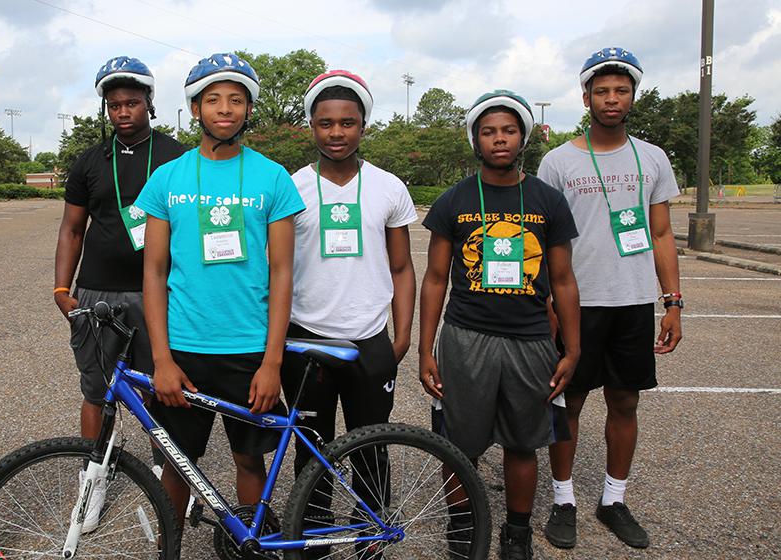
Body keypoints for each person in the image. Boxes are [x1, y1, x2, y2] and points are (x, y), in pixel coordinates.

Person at [134, 52, 305, 529]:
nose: (225, 109)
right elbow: (153, 272)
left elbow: (283, 272)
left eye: (236, 100)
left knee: (250, 461)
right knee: (177, 463)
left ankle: (246, 541)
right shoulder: (167, 178)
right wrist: (162, 358)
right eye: (213, 100)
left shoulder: (273, 177)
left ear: (249, 109)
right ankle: (169, 544)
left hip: (249, 349)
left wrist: (272, 362)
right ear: (195, 110)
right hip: (184, 348)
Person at [418, 90, 581, 559]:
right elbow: (434, 279)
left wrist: (572, 349)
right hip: (466, 336)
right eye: (488, 131)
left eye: (508, 130)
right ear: (475, 138)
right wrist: (426, 349)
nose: (499, 140)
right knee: (458, 446)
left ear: (523, 136)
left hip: (530, 339)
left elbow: (565, 280)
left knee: (523, 443)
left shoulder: (549, 201)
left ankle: (517, 532)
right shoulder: (455, 201)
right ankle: (462, 525)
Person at [538, 47, 683, 551]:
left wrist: (672, 301)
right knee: (568, 402)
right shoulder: (557, 161)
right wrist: (549, 305)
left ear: (633, 97)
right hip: (576, 302)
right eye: (602, 91)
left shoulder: (652, 158)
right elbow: (545, 240)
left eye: (621, 90)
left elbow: (662, 234)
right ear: (586, 97)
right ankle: (563, 500)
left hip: (633, 301)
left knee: (625, 400)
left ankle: (613, 499)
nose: (611, 99)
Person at [53, 56, 185, 532]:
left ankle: (162, 476)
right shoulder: (89, 161)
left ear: (150, 103)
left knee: (161, 389)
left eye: (132, 102)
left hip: (160, 292)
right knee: (98, 389)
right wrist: (61, 288)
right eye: (114, 105)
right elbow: (71, 229)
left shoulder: (177, 156)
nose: (123, 111)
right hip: (97, 291)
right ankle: (94, 477)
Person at [281, 69, 416, 483]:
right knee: (311, 455)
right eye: (325, 123)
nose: (336, 132)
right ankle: (312, 543)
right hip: (305, 339)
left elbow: (402, 266)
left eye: (347, 122)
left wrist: (403, 335)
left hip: (370, 341)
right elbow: (278, 268)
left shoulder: (389, 187)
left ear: (363, 125)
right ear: (311, 126)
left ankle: (368, 544)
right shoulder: (291, 188)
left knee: (371, 453)